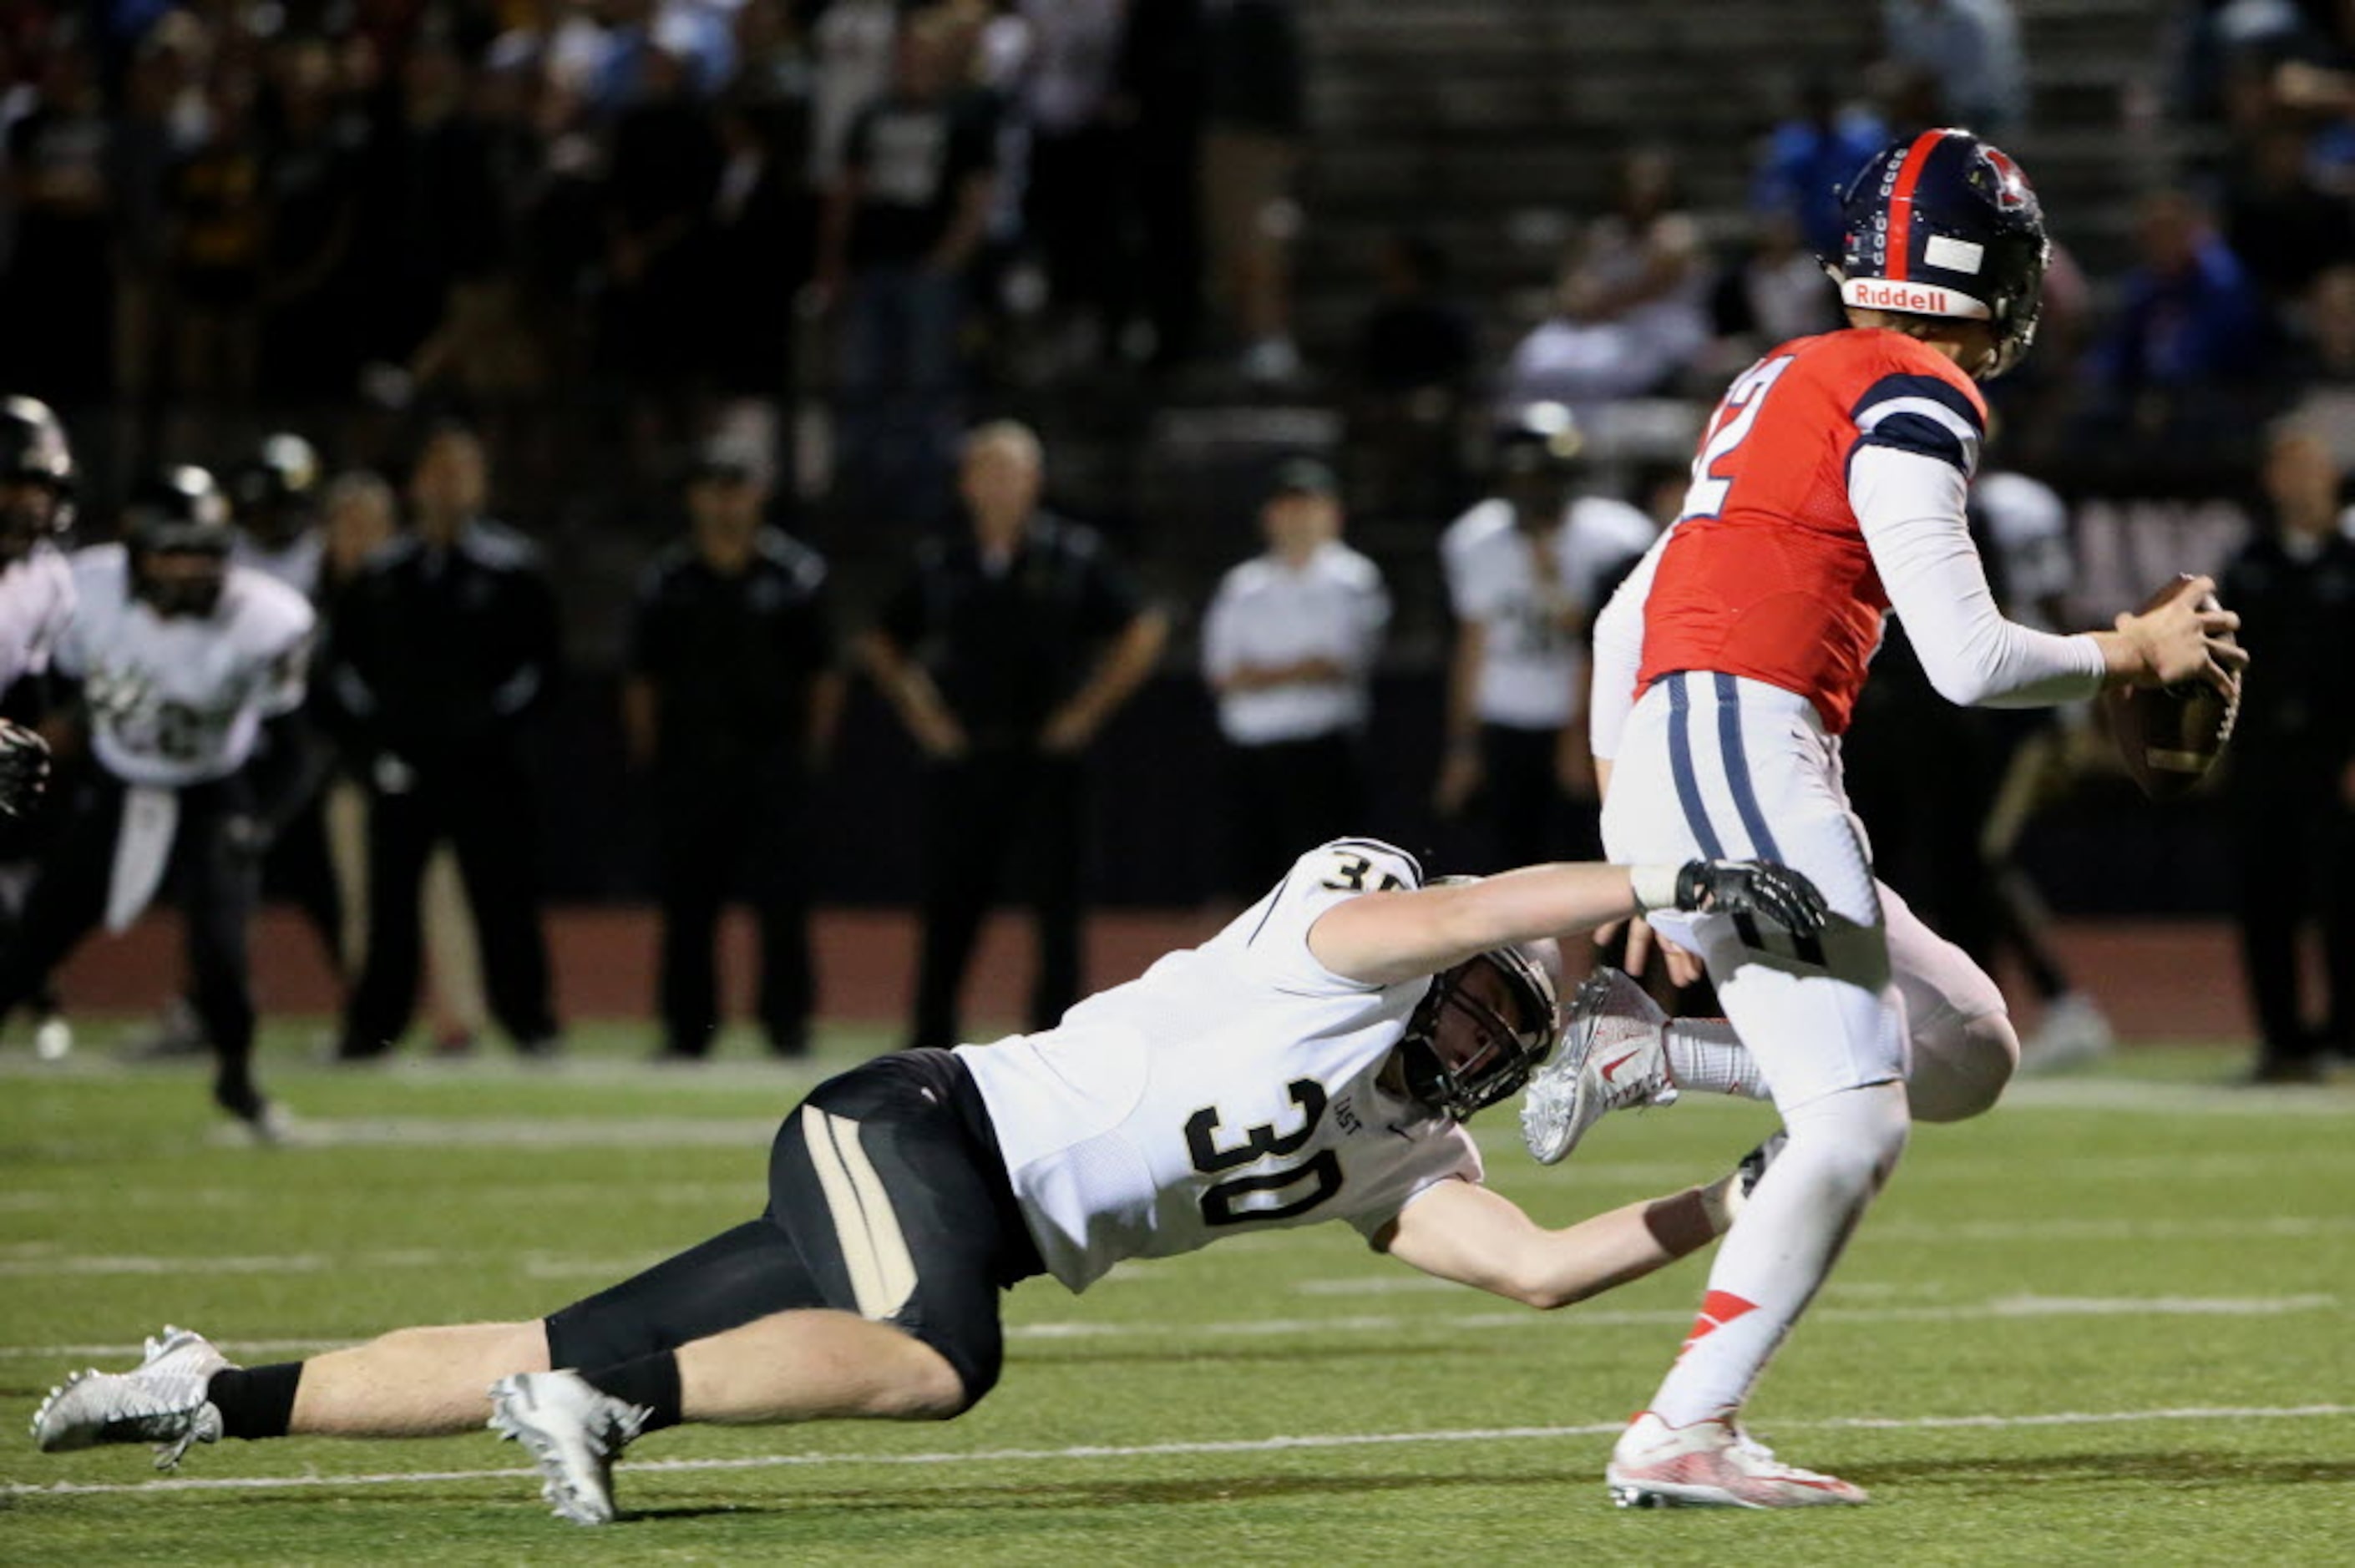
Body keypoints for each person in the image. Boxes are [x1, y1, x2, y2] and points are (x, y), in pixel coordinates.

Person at [30, 838, 1828, 1529]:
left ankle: (204, 1391)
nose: (1477, 1042)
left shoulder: (1403, 1140)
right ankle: (597, 1397)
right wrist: (1651, 878)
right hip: (917, 1130)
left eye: (1509, 1035)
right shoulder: (1346, 935)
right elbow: (1464, 915)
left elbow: (1530, 1269)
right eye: (1490, 1007)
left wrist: (1750, 1192)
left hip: (923, 1192)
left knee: (551, 1331)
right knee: (941, 1362)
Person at [1522, 130, 2246, 1508]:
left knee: (1967, 1047)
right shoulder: (1914, 385)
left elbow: (1630, 610)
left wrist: (1633, 817)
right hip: (1746, 736)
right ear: (2000, 273)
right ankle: (1685, 1424)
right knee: (1854, 1122)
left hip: (1715, 738)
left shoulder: (1785, 374)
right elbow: (1968, 659)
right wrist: (2127, 649)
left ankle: (1657, 1053)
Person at [0, 468, 316, 1136]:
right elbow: (48, 694)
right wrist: (58, 734)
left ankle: (238, 1080)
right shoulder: (81, 590)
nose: (193, 569)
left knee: (221, 953)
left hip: (211, 786)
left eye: (207, 551)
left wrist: (258, 823)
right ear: (139, 551)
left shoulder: (267, 618)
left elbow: (294, 746)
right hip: (117, 781)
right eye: (176, 551)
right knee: (32, 940)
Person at [863, 421, 1168, 1050]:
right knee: (950, 903)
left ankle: (1057, 1044)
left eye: (1014, 471)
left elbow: (1143, 629)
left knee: (1059, 910)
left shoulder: (1073, 556)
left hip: (1049, 759)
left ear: (1037, 482)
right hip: (968, 756)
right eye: (988, 470)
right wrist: (924, 714)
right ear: (966, 483)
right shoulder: (942, 561)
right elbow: (881, 639)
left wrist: (1086, 712)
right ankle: (928, 1044)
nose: (1001, 484)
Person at [324, 424, 564, 1060]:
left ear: (482, 484)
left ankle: (529, 1022)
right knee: (390, 904)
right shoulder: (382, 574)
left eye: (462, 470)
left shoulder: (514, 570)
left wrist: (497, 725)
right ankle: (373, 1027)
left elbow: (543, 667)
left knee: (505, 901)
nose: (449, 484)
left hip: (489, 767)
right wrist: (377, 735)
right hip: (405, 764)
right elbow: (343, 665)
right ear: (415, 483)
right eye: (438, 470)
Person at [624, 450, 843, 1060]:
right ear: (695, 498)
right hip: (691, 762)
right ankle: (687, 1029)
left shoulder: (795, 576)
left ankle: (788, 1025)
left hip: (770, 759)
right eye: (713, 490)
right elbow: (642, 680)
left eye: (736, 489)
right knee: (689, 903)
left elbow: (823, 678)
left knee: (783, 902)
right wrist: (654, 761)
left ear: (759, 495)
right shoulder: (668, 579)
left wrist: (805, 757)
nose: (725, 502)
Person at [1436, 408, 1657, 872]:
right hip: (1506, 719)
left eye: (1541, 476)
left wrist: (1554, 585)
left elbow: (1620, 641)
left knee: (1587, 862)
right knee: (1508, 863)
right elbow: (1472, 646)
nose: (1530, 490)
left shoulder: (1617, 536)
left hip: (1589, 720)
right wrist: (1463, 746)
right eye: (1519, 477)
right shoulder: (1475, 539)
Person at [2219, 423, 2355, 1084]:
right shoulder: (2248, 565)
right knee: (2264, 900)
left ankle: (2344, 1038)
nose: (2298, 481)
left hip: (2337, 761)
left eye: (2310, 466)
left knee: (2343, 900)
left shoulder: (2350, 565)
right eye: (2285, 468)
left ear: (2333, 476)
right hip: (2262, 759)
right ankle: (2282, 1041)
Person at [1201, 458, 1389, 894]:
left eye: (1309, 506)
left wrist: (1262, 674)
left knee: (1327, 889)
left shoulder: (1353, 579)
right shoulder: (1242, 585)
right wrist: (1299, 668)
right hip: (1251, 758)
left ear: (1333, 514)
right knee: (1250, 886)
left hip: (1321, 757)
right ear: (1268, 516)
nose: (1297, 518)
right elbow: (1223, 673)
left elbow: (1337, 663)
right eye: (1287, 507)